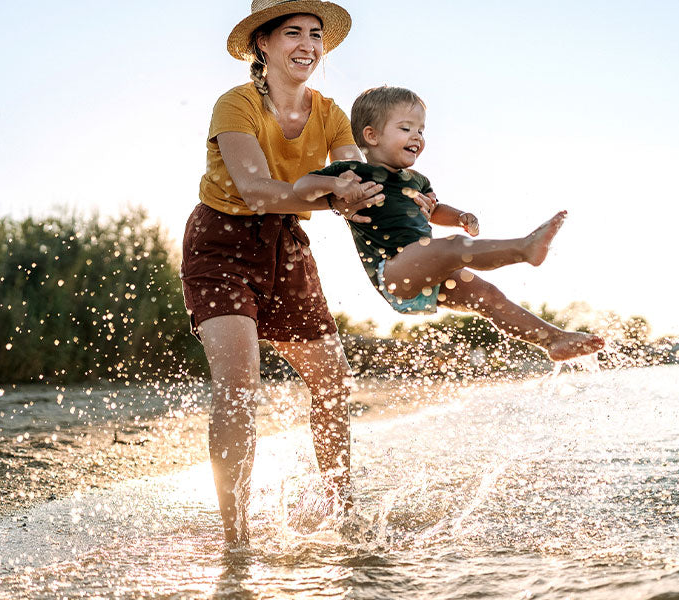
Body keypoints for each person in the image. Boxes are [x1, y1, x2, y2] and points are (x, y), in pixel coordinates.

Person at [180, 0, 409, 547]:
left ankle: (340, 511)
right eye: (292, 33)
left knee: (332, 381)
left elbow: (354, 177)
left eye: (315, 34)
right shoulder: (234, 105)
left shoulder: (329, 112)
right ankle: (236, 541)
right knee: (239, 387)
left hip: (286, 245)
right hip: (222, 244)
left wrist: (389, 195)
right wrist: (335, 192)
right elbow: (257, 190)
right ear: (263, 44)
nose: (307, 44)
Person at [301, 86, 605, 361]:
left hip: (429, 268)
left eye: (421, 130)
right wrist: (336, 187)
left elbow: (435, 210)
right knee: (454, 248)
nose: (417, 137)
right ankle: (524, 249)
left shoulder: (417, 180)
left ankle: (553, 340)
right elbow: (302, 186)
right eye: (406, 128)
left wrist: (460, 217)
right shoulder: (352, 171)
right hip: (394, 272)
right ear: (372, 136)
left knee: (489, 296)